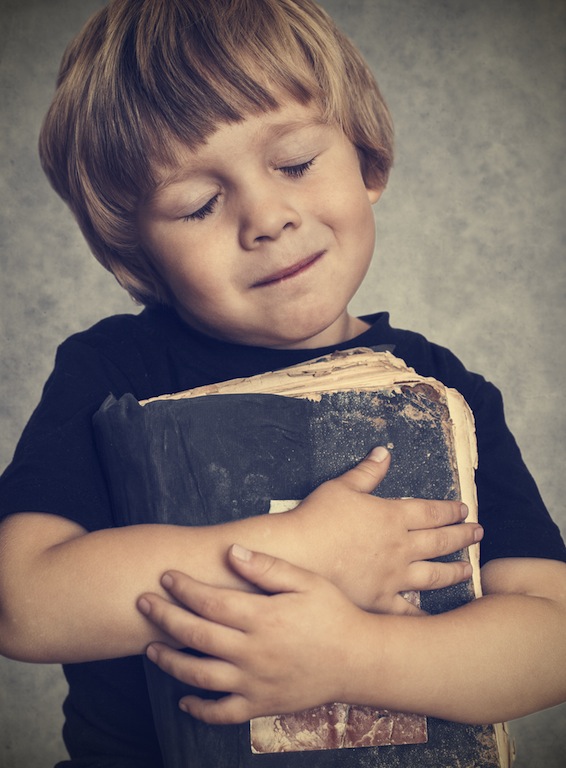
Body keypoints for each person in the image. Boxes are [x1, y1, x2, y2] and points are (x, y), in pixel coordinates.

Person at [0, 0, 564, 766]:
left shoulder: (442, 389)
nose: (267, 217)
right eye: (198, 204)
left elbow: (551, 634)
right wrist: (301, 548)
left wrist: (355, 655)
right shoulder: (113, 373)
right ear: (140, 256)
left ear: (367, 161)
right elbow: (24, 605)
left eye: (294, 162)